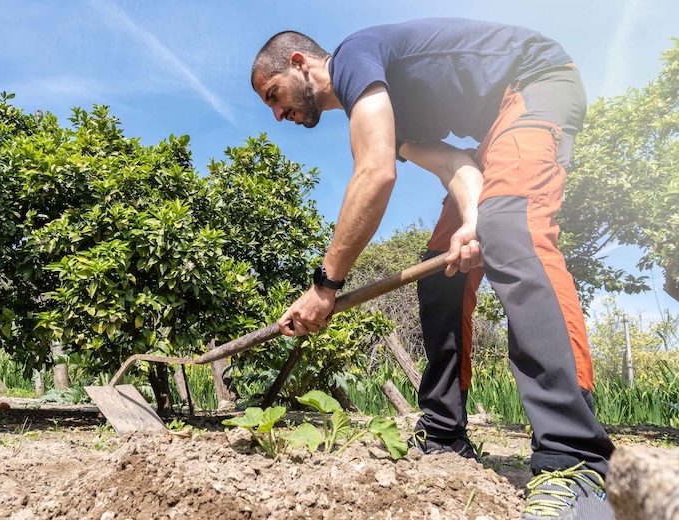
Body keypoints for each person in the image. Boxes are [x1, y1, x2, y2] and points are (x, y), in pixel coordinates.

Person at [251, 18, 616, 519]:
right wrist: (471, 220)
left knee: (513, 228)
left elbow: (376, 173)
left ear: (300, 63)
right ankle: (445, 433)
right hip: (493, 134)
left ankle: (577, 459)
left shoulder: (353, 56)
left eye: (273, 95)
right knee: (440, 271)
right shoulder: (384, 112)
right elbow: (455, 166)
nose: (277, 114)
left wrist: (325, 286)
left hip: (536, 83)